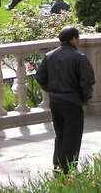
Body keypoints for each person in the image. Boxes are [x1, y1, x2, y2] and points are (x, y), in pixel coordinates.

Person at [35, 26, 95, 174]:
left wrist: (51, 90)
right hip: (72, 102)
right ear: (74, 39)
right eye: (77, 38)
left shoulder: (49, 56)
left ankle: (58, 166)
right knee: (72, 137)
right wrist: (83, 98)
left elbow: (40, 76)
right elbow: (87, 82)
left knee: (60, 135)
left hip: (55, 102)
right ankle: (67, 169)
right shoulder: (79, 58)